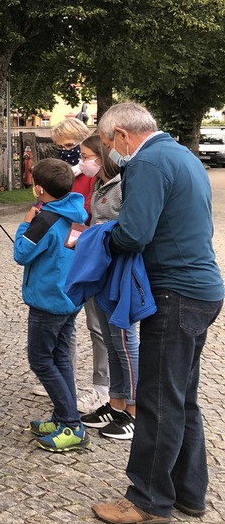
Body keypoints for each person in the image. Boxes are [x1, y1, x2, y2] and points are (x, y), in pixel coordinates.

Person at [91, 103, 223, 524]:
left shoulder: (147, 162)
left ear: (122, 135)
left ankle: (148, 501)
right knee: (181, 398)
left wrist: (98, 242)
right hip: (201, 290)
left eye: (109, 143)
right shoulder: (182, 155)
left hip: (174, 293)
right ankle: (188, 493)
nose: (111, 152)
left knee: (158, 400)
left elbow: (133, 234)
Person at [13, 157, 90, 452]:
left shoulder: (43, 220)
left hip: (48, 301)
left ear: (40, 189)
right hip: (69, 297)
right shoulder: (77, 213)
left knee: (41, 360)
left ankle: (71, 423)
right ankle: (62, 417)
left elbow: (22, 254)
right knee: (60, 359)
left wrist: (25, 224)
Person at [76, 134, 139, 441]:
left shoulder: (123, 185)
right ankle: (115, 404)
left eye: (85, 156)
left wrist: (96, 236)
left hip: (118, 271)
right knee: (111, 341)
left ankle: (135, 412)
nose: (81, 162)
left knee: (124, 341)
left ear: (101, 157)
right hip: (100, 269)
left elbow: (128, 229)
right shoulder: (100, 185)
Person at [49, 116, 109, 416]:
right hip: (68, 256)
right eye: (60, 147)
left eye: (71, 146)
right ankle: (65, 379)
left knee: (98, 325)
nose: (66, 152)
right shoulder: (66, 174)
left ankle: (103, 386)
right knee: (65, 321)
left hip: (90, 254)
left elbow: (90, 214)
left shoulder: (96, 176)